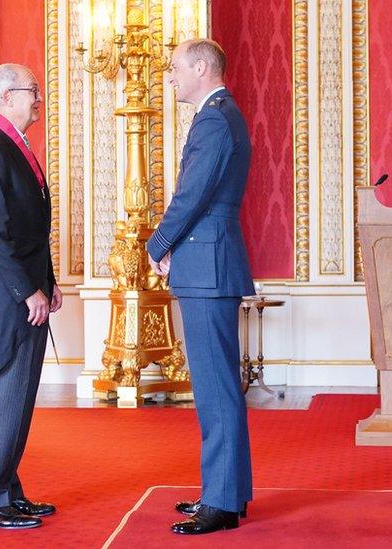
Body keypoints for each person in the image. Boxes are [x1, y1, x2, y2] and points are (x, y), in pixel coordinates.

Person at [146, 38, 255, 535]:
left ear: (199, 67)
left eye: (174, 68)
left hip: (206, 263)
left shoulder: (215, 118)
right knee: (215, 387)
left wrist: (159, 242)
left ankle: (223, 501)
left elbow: (193, 191)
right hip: (207, 260)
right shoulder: (219, 114)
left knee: (215, 388)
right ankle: (225, 492)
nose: (169, 76)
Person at [0, 63, 62, 530]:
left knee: (20, 395)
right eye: (32, 91)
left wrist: (49, 281)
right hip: (7, 298)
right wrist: (28, 290)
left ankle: (8, 489)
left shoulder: (17, 148)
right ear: (5, 98)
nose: (37, 98)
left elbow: (31, 233)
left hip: (26, 293)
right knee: (4, 392)